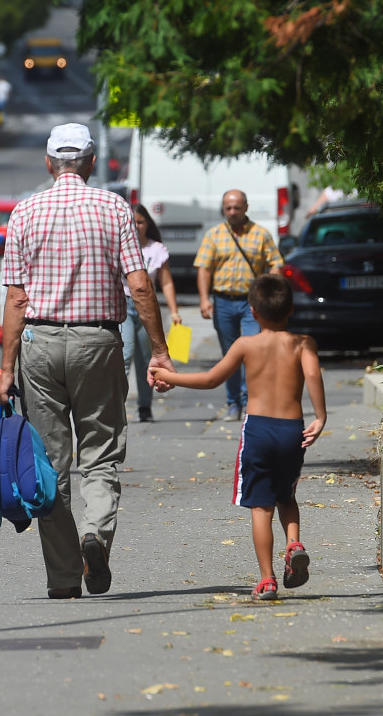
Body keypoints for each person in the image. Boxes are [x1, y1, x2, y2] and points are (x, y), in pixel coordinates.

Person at [0, 123, 175, 600]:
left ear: (49, 163)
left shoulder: (25, 211)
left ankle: (63, 578)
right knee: (101, 452)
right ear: (91, 163)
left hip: (38, 343)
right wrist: (160, 350)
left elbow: (16, 298)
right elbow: (139, 284)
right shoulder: (114, 208)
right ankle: (95, 531)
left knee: (50, 464)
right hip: (98, 341)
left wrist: (6, 368)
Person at [150, 274, 326, 600]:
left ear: (253, 311)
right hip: (292, 431)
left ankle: (267, 579)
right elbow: (313, 373)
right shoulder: (304, 343)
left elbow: (211, 379)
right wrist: (320, 416)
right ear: (290, 309)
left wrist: (169, 376)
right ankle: (294, 544)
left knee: (261, 507)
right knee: (286, 495)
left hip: (258, 430)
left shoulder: (245, 344)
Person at [194, 189, 284, 422]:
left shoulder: (260, 234)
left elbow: (276, 264)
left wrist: (270, 292)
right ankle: (233, 403)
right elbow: (204, 268)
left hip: (251, 303)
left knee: (253, 352)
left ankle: (250, 402)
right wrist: (204, 299)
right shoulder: (214, 235)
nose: (232, 212)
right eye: (228, 208)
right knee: (230, 355)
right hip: (223, 302)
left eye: (236, 207)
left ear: (246, 208)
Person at [121, 204, 181, 422]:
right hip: (124, 305)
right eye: (133, 222)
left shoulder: (156, 249)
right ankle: (117, 407)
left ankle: (145, 407)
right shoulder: (119, 246)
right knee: (125, 354)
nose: (136, 226)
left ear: (148, 224)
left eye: (140, 222)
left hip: (147, 307)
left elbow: (166, 283)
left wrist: (174, 312)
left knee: (147, 358)